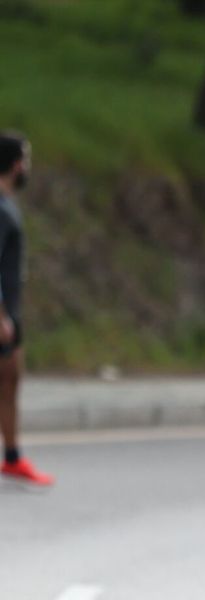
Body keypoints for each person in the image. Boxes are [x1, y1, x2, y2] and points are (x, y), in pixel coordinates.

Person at [0, 131, 53, 486]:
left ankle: (13, 456)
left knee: (11, 379)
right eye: (27, 159)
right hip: (3, 312)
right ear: (17, 163)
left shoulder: (6, 204)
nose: (28, 167)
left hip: (10, 312)